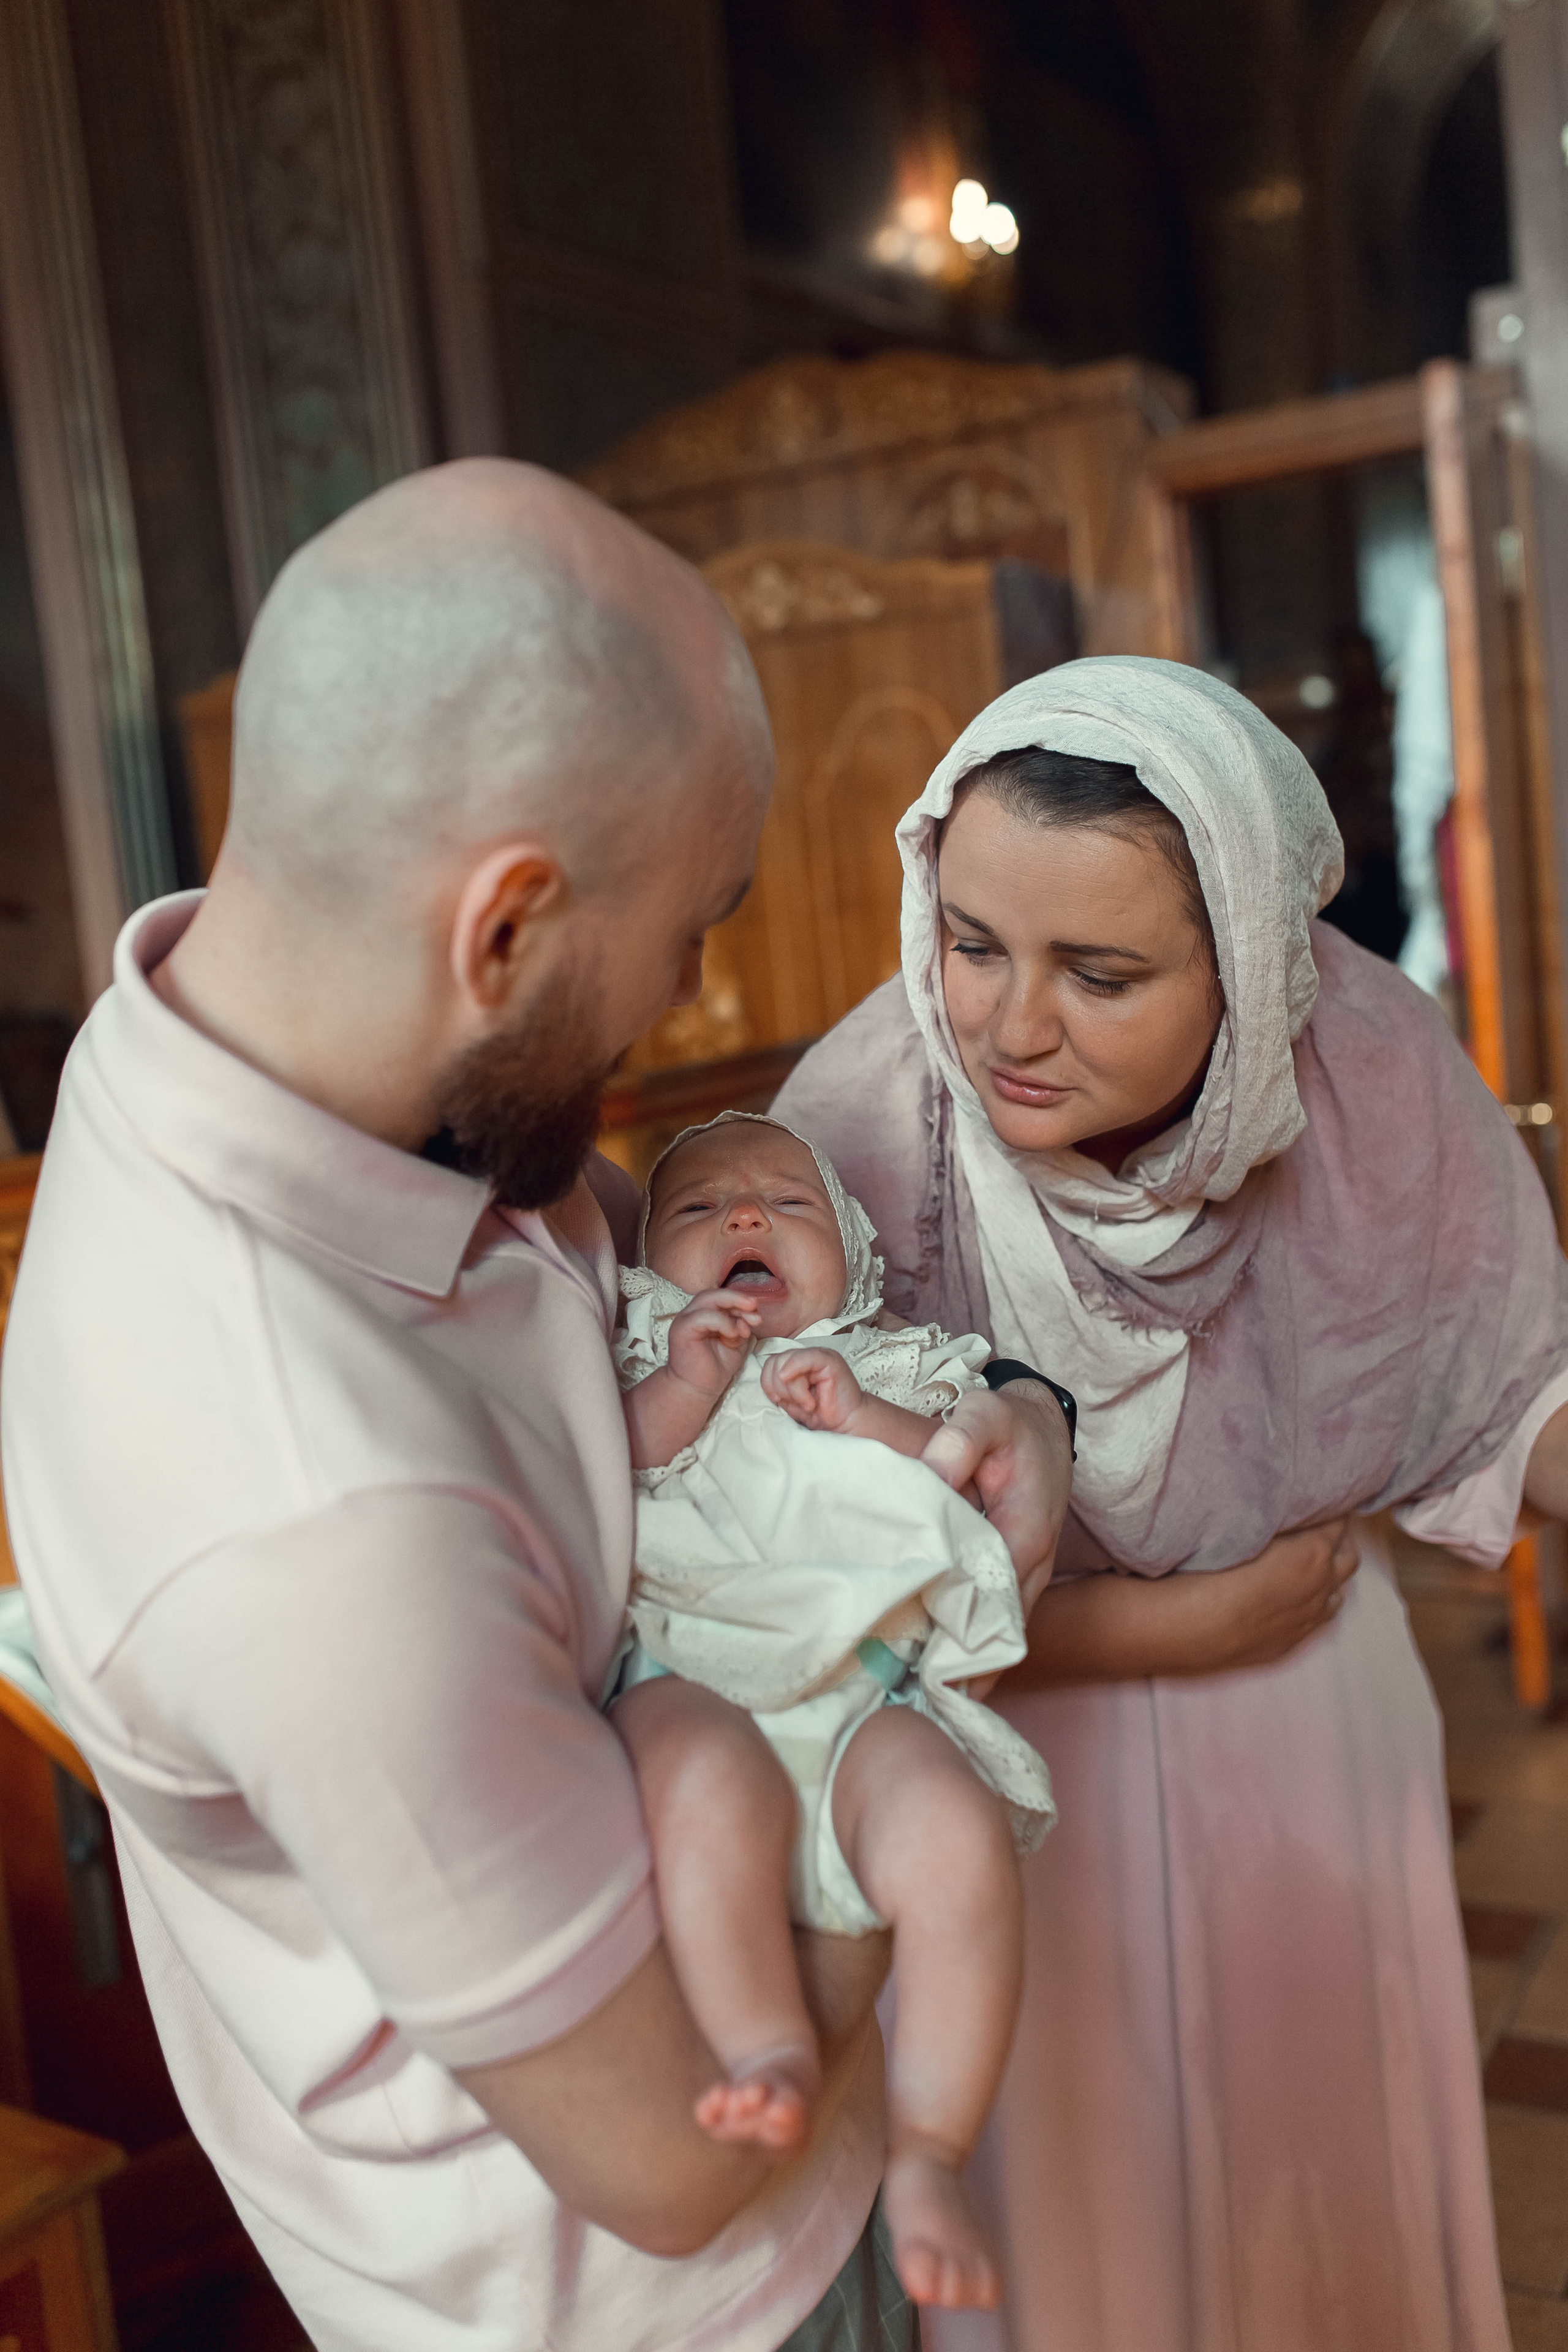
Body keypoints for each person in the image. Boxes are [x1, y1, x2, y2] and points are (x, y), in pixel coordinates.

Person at [0, 461, 1072, 2352]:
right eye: (686, 931)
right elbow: (673, 2165)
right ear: (500, 933)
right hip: (675, 2302)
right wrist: (893, 1767)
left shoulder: (315, 1043)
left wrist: (1014, 1421)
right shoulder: (317, 1526)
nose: (694, 985)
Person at [775, 654, 1568, 2352]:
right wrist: (1165, 1625)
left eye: (1104, 971)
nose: (1006, 1024)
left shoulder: (1363, 1079)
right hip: (1006, 1784)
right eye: (972, 942)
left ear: (1256, 968)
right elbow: (795, 1601)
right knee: (1093, 2237)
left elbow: (1508, 1385)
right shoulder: (844, 1144)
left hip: (1309, 1734)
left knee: (1318, 2193)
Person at [610, 1112, 1055, 2310]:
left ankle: (929, 2153)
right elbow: (601, 1470)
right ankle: (766, 2040)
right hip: (687, 1685)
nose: (744, 1216)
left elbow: (946, 1473)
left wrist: (863, 1415)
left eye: (784, 1205)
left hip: (856, 1698)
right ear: (646, 1266)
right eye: (698, 1210)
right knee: (698, 1796)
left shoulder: (887, 1360)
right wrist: (686, 1382)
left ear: (853, 1265)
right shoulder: (640, 1351)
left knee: (957, 1844)